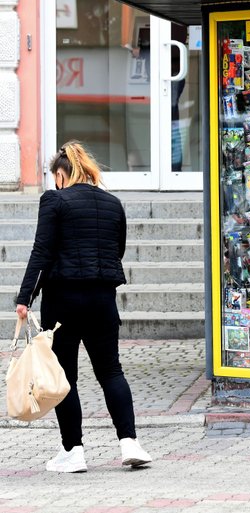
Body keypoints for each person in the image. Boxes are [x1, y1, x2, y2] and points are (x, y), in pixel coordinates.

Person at [15, 141, 153, 473]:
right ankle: (129, 443)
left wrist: (24, 298)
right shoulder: (112, 203)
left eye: (54, 178)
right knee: (111, 371)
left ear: (61, 175)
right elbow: (116, 249)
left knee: (66, 377)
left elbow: (42, 252)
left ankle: (73, 451)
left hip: (63, 302)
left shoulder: (54, 201)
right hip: (103, 300)